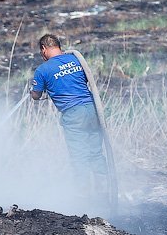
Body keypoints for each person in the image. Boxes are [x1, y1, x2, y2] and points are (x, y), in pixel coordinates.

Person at [30, 34, 109, 193]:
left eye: (41, 51)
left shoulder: (43, 70)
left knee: (79, 156)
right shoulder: (76, 60)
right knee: (96, 153)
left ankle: (84, 196)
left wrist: (32, 92)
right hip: (93, 110)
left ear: (44, 49)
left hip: (74, 115)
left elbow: (36, 95)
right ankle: (105, 191)